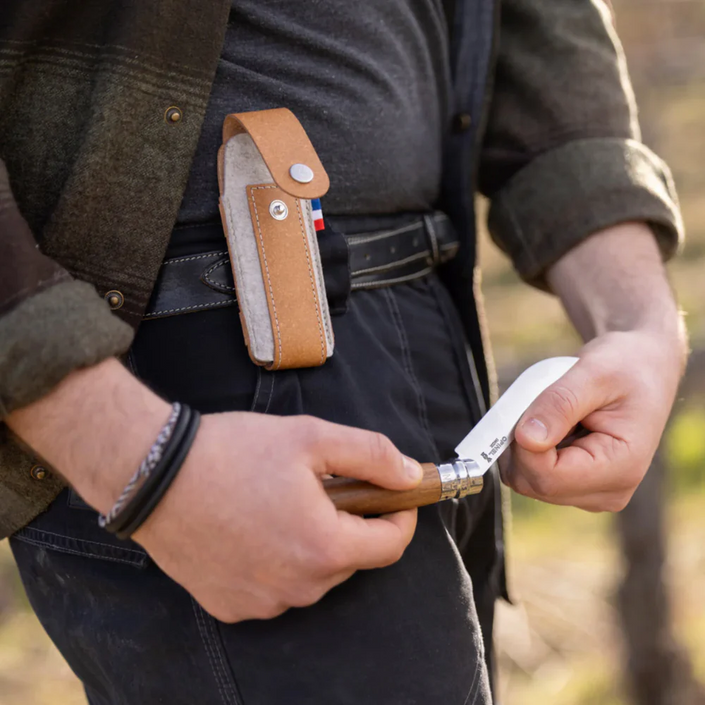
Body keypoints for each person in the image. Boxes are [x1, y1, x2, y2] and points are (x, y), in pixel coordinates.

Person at [0, 0, 686, 703]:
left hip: (425, 316)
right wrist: (133, 455)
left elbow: (543, 28)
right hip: (189, 384)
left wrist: (639, 318)